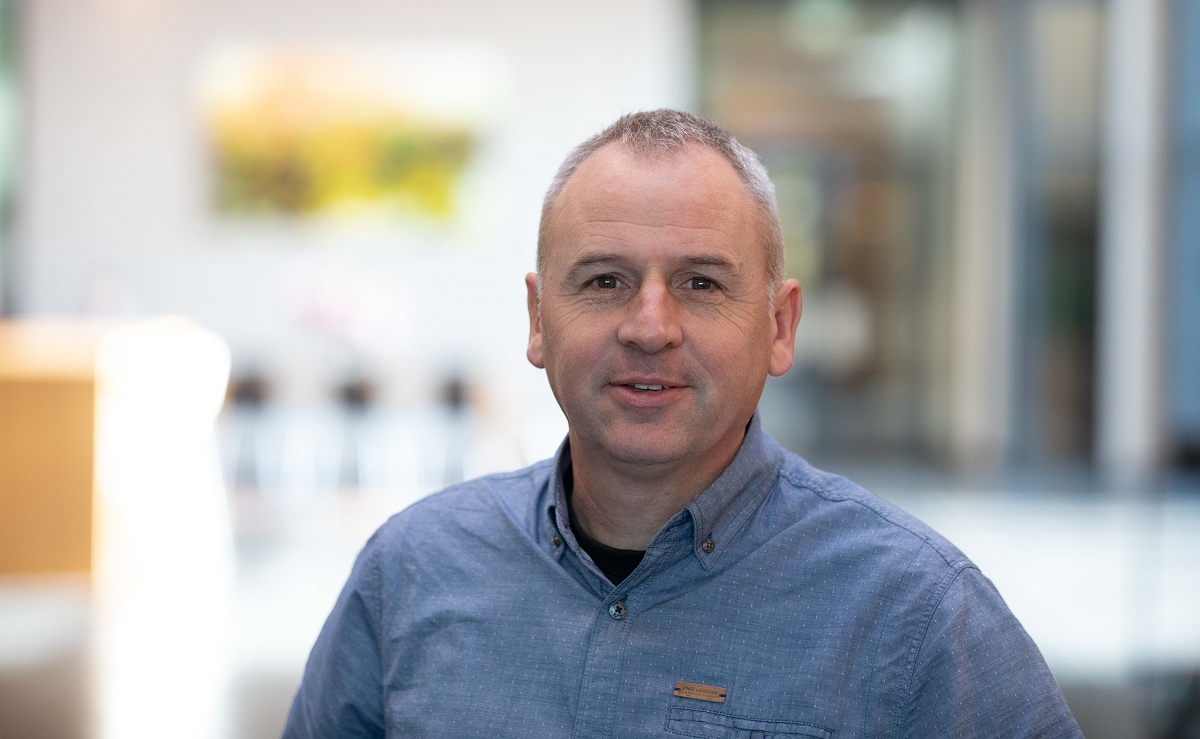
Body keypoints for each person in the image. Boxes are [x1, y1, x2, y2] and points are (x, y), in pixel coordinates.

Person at [283, 109, 1083, 738]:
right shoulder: (409, 573)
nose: (649, 327)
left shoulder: (916, 615)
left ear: (779, 327)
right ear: (537, 319)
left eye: (700, 284)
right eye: (605, 281)